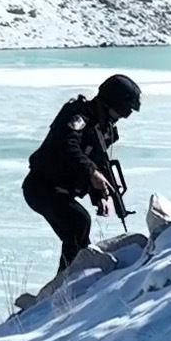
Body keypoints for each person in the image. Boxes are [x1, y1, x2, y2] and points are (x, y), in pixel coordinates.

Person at [21, 74, 141, 271]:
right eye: (121, 111)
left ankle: (74, 279)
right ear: (109, 103)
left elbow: (98, 163)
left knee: (79, 240)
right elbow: (68, 145)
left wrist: (100, 195)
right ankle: (66, 281)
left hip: (59, 191)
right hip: (41, 187)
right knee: (79, 223)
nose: (121, 117)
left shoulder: (105, 130)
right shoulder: (77, 115)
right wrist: (92, 173)